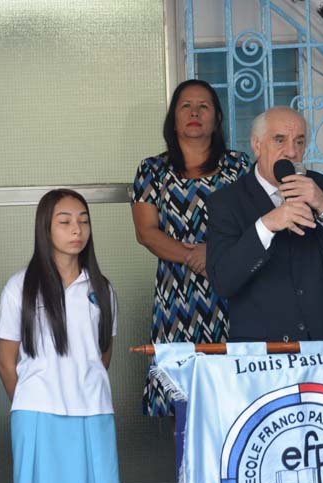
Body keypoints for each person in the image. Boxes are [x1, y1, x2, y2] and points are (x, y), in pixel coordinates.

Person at [0, 189, 122, 483]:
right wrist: (30, 402)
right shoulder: (20, 287)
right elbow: (5, 361)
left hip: (92, 411)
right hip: (40, 414)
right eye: (64, 222)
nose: (77, 229)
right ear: (45, 228)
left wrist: (82, 386)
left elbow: (102, 353)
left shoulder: (102, 289)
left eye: (83, 221)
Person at [130, 79, 250, 417]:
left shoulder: (239, 166)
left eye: (204, 106)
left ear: (217, 118)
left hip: (233, 293)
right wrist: (194, 256)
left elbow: (256, 225)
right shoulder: (152, 170)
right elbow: (146, 232)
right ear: (173, 118)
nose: (195, 112)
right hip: (177, 297)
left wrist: (215, 255)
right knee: (181, 403)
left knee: (234, 400)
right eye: (186, 106)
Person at [206, 106, 323, 342]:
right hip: (262, 346)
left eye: (299, 141)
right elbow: (223, 282)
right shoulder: (226, 202)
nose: (292, 152)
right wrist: (267, 225)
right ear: (257, 145)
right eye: (279, 140)